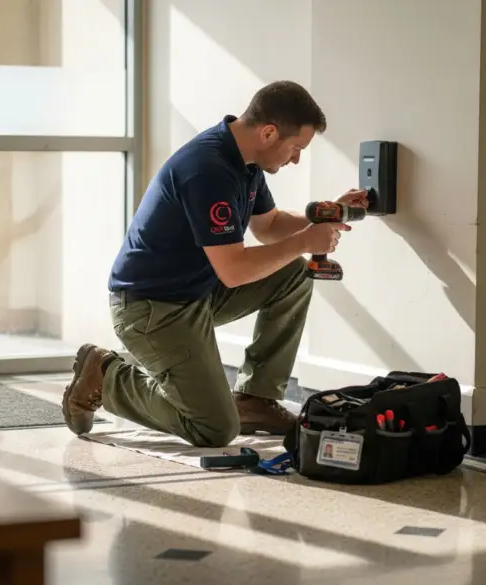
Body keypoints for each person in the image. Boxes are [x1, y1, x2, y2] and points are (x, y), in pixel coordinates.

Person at [61, 80, 369, 447]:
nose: (297, 158)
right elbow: (234, 270)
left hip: (197, 294)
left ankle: (256, 399)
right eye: (296, 148)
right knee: (215, 429)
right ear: (269, 132)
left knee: (296, 273)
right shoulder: (207, 170)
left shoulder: (247, 160)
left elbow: (269, 227)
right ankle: (106, 377)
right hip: (150, 309)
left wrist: (323, 214)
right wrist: (305, 241)